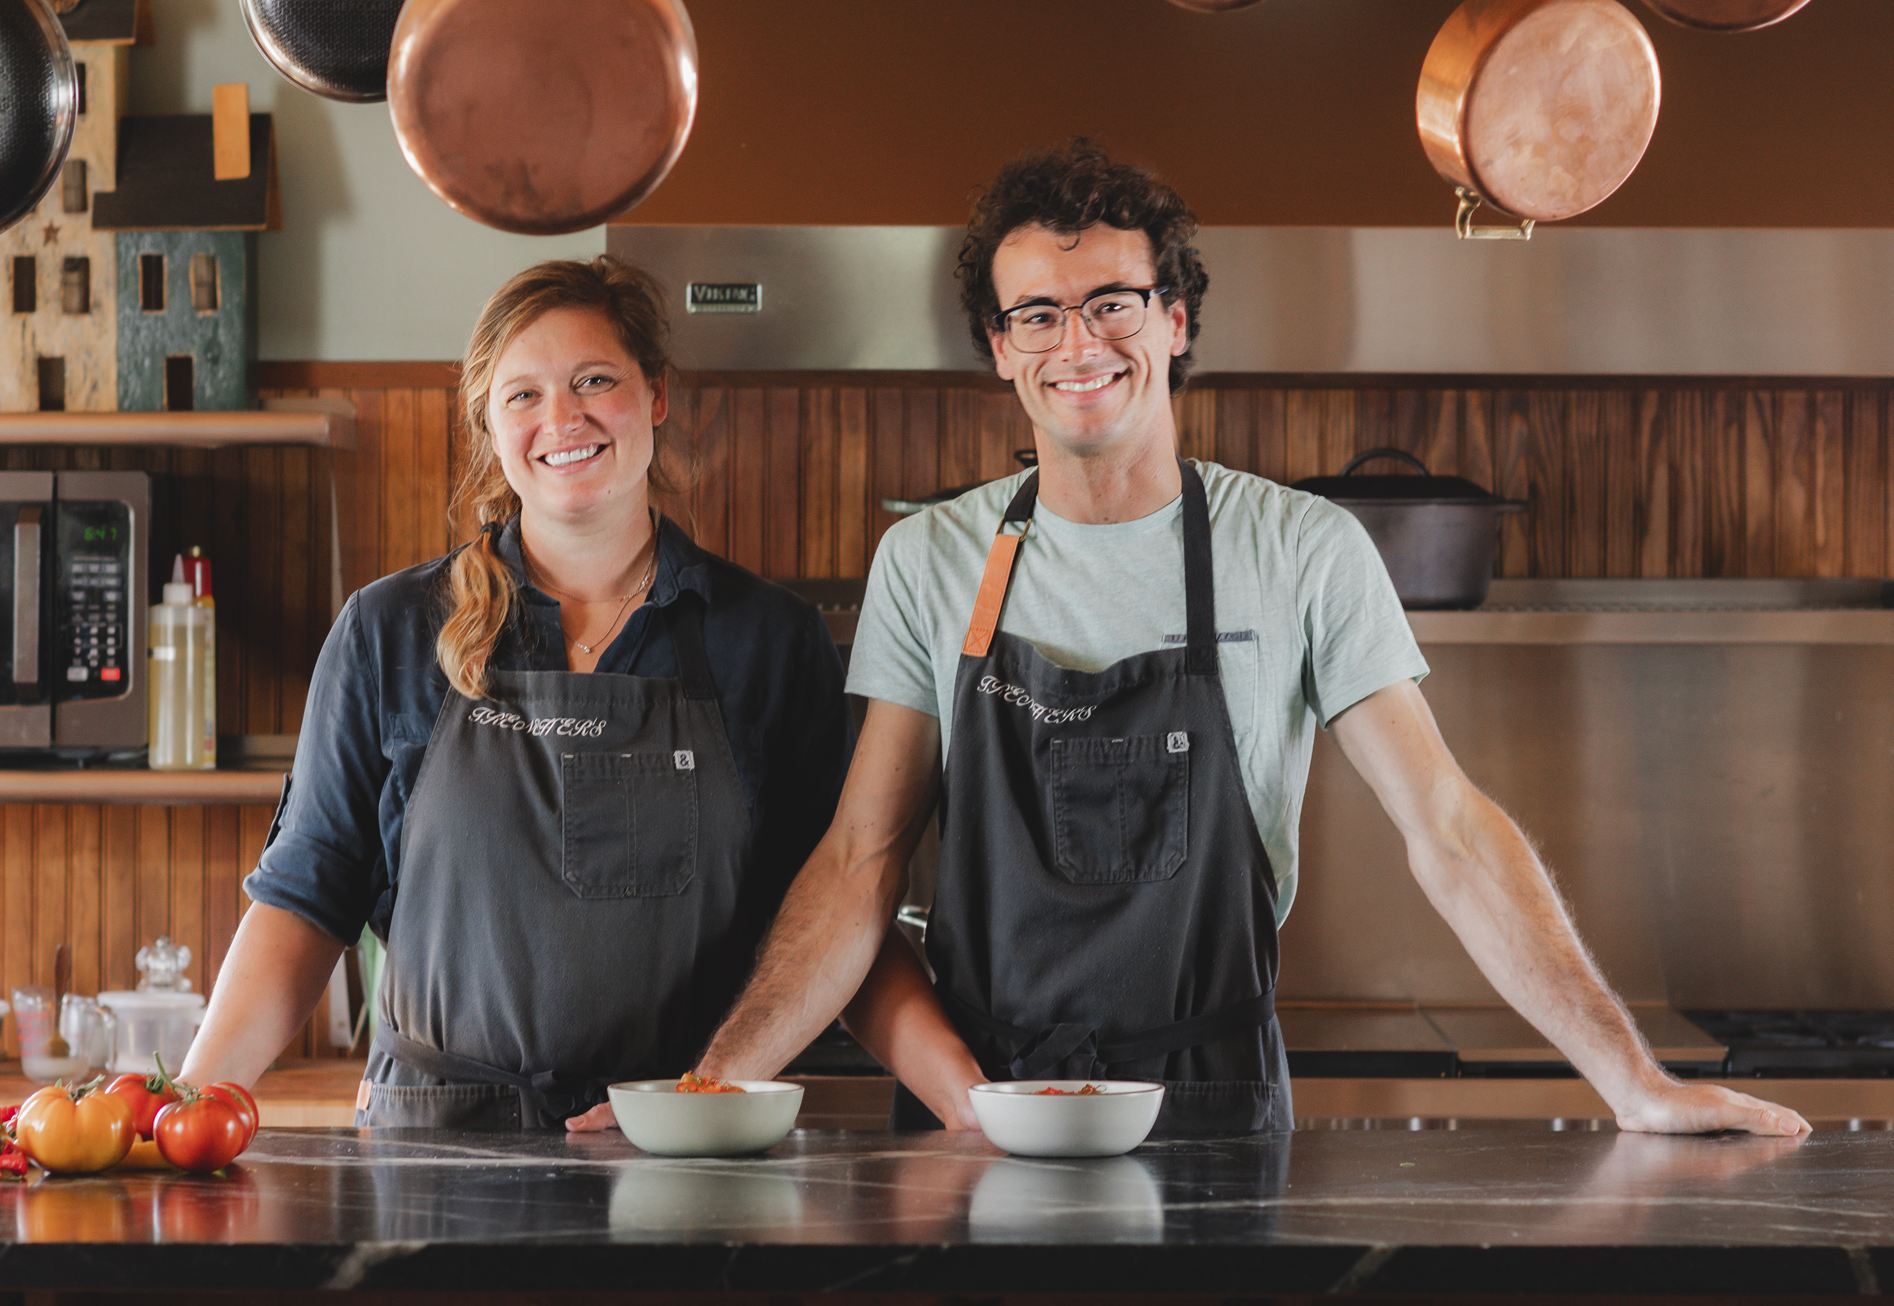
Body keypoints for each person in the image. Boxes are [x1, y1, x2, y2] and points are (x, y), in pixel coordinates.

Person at [642, 140, 1805, 1138]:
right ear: (999, 349)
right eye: (1036, 313)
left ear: (1175, 317)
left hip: (1212, 1105)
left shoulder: (1301, 548)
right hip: (983, 1114)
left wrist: (1631, 1079)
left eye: (1112, 301)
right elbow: (860, 859)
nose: (1076, 341)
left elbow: (1444, 825)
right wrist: (709, 1083)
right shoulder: (930, 561)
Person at [179, 257, 851, 1129]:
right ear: (490, 428)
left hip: (678, 1147)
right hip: (435, 1154)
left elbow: (829, 909)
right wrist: (181, 1109)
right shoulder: (391, 631)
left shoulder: (768, 640)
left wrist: (708, 1091)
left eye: (595, 381)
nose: (561, 419)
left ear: (656, 394)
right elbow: (307, 900)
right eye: (522, 395)